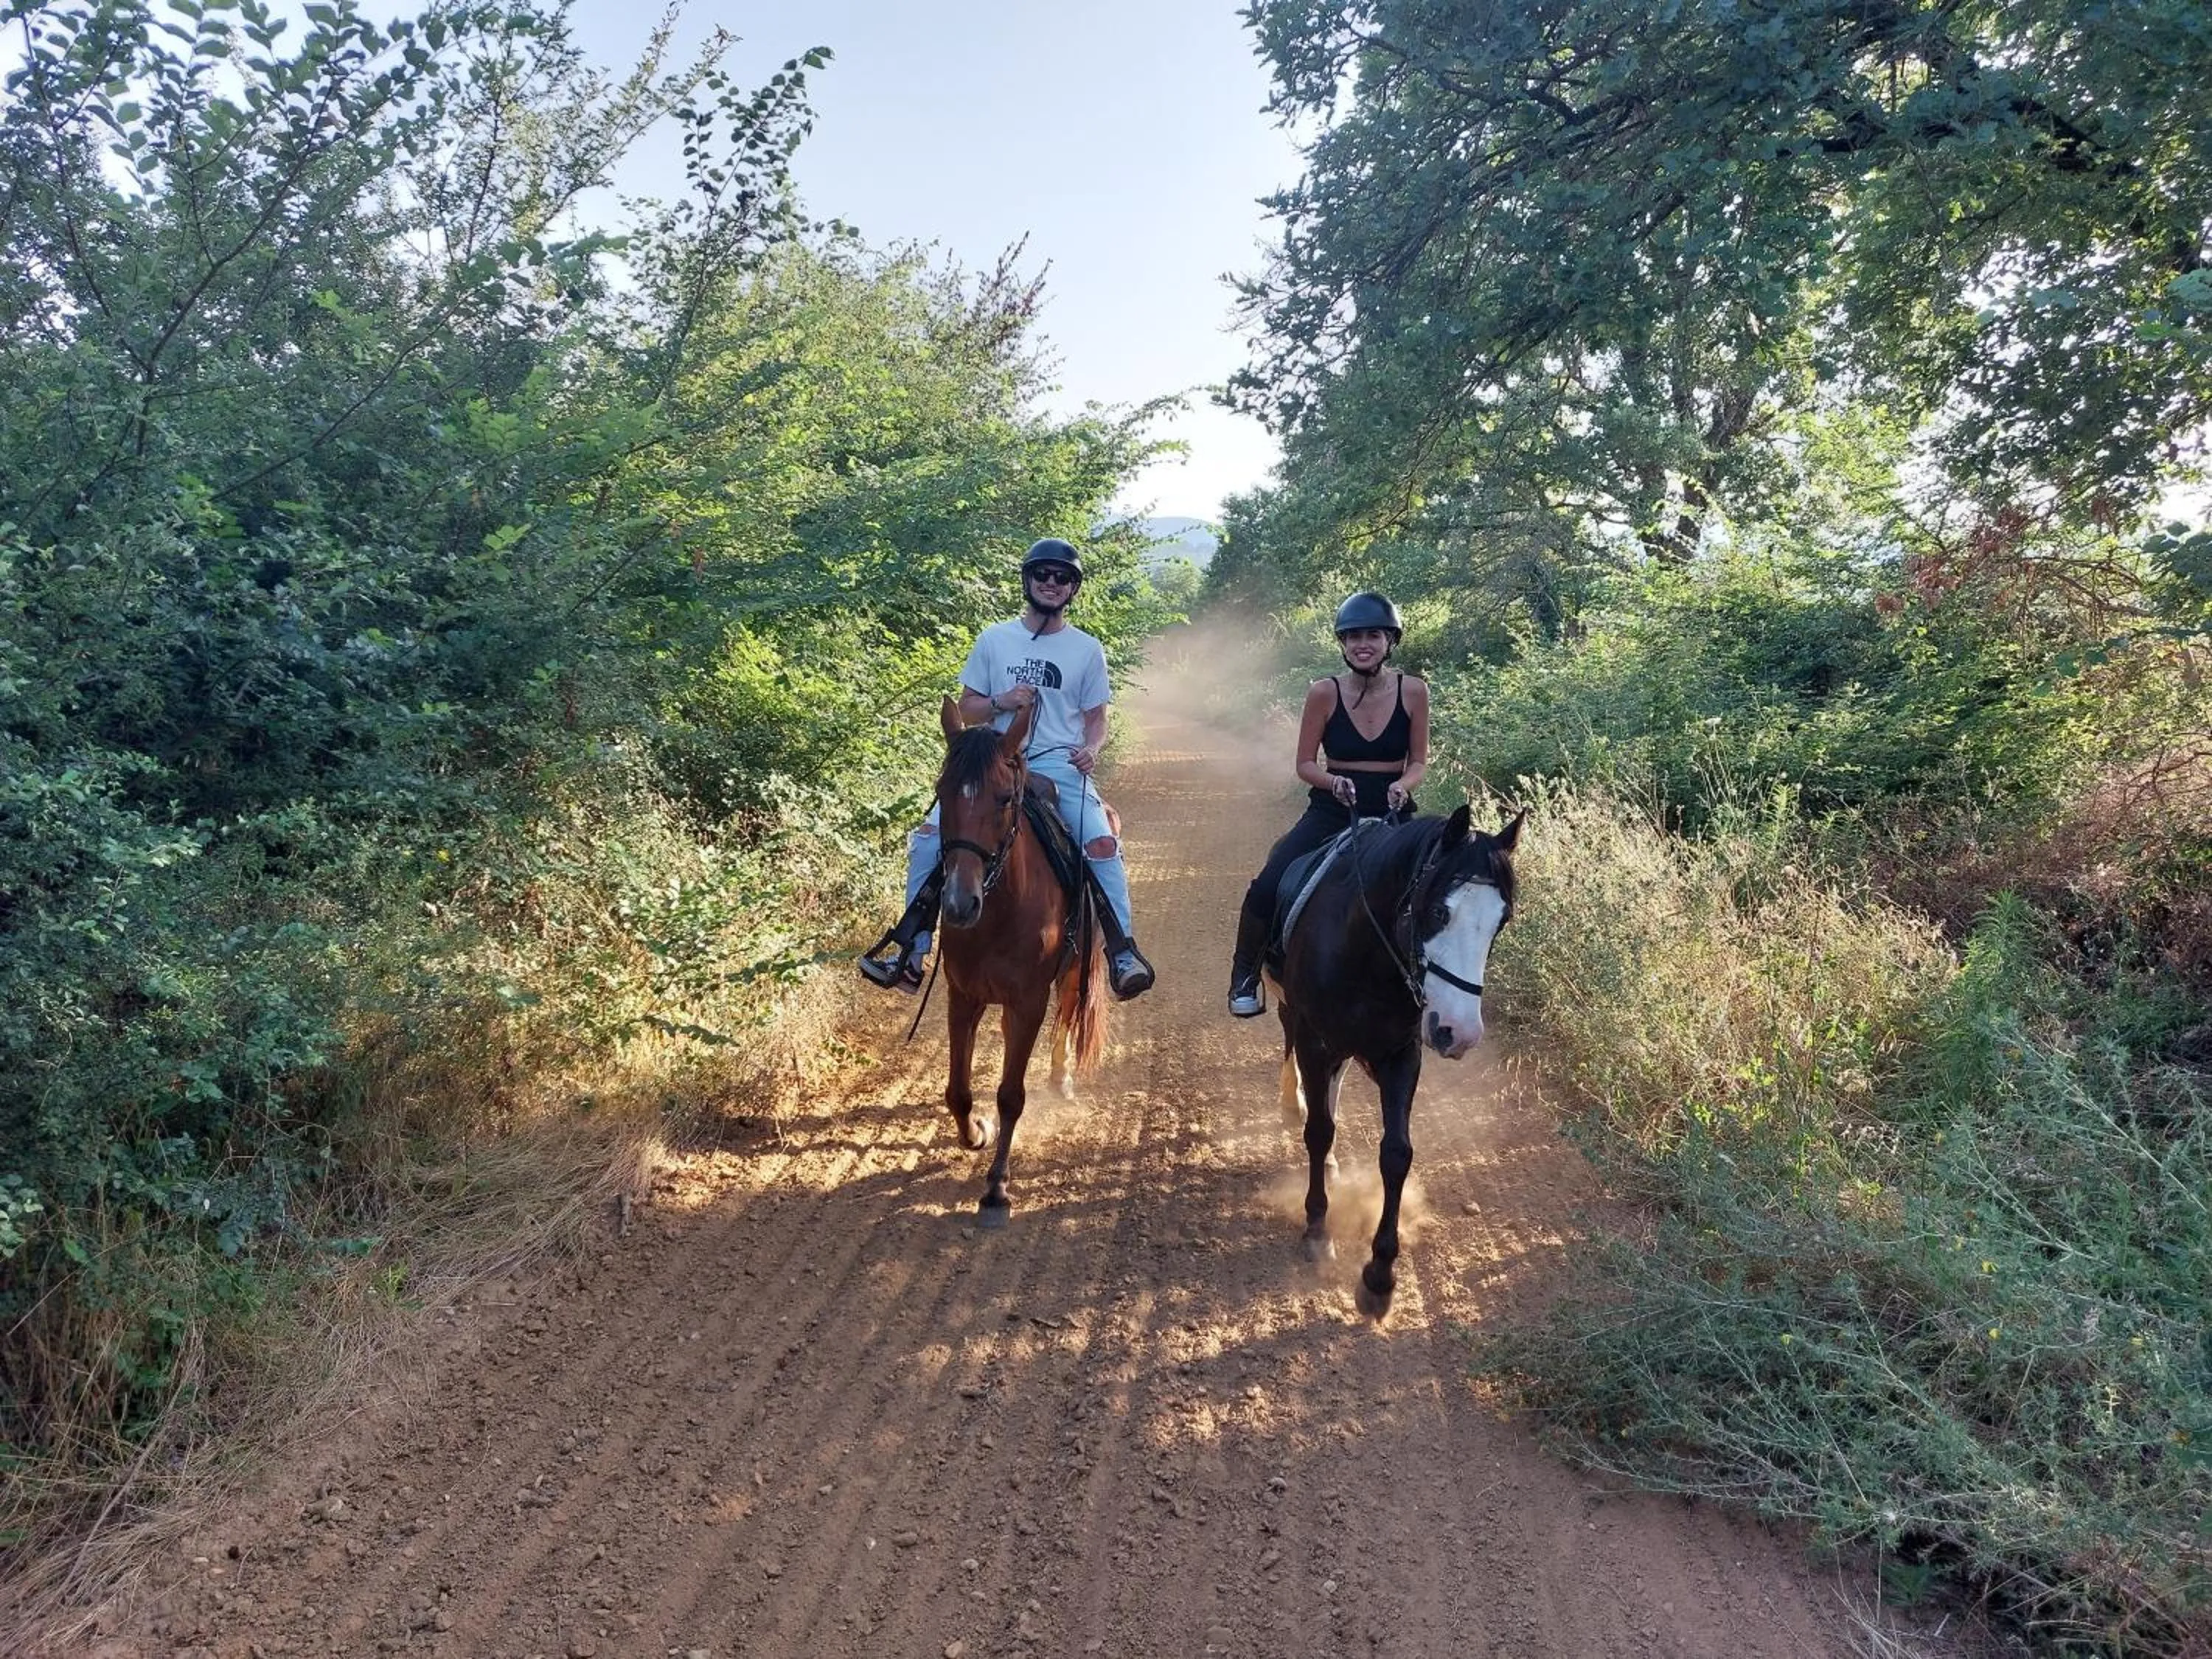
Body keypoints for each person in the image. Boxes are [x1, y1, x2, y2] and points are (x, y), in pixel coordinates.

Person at [858, 538, 1157, 1001]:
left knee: (1101, 844)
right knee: (929, 837)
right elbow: (967, 708)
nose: (1052, 583)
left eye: (1063, 577)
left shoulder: (1087, 649)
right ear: (1028, 580)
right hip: (995, 760)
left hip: (1059, 762)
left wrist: (1092, 748)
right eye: (1043, 574)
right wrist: (1002, 701)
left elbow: (1097, 718)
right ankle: (910, 952)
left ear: (1073, 588)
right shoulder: (994, 640)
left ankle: (1121, 951)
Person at [1226, 591, 1429, 1017]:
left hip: (1392, 809)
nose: (1363, 644)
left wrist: (1404, 785)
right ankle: (1245, 975)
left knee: (1436, 887)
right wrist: (1333, 781)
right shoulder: (1324, 692)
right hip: (1333, 809)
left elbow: (1418, 762)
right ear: (1342, 643)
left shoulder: (1414, 691)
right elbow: (1304, 764)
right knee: (1270, 880)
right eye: (1353, 636)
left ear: (1390, 641)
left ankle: (1436, 988)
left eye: (1373, 635)